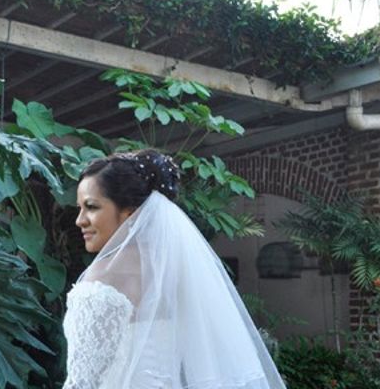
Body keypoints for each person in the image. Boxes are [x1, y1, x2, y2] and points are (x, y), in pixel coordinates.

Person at [62, 149, 286, 389]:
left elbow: (82, 382)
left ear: (130, 214)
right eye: (80, 208)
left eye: (92, 207)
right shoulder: (177, 274)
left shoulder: (100, 282)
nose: (80, 219)